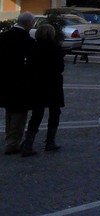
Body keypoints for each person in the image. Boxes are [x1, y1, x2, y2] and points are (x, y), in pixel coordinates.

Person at [21, 23, 65, 156]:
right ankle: (50, 142)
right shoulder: (55, 48)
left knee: (36, 114)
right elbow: (60, 68)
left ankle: (28, 144)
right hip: (53, 84)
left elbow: (28, 66)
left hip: (36, 84)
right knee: (54, 113)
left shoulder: (33, 47)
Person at [0, 11, 35, 155]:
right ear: (27, 24)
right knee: (19, 114)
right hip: (20, 82)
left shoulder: (3, 36)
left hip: (4, 80)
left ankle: (10, 139)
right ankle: (13, 143)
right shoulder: (26, 40)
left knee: (9, 112)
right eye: (32, 23)